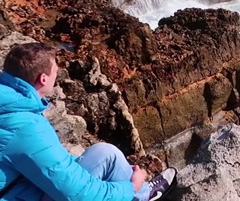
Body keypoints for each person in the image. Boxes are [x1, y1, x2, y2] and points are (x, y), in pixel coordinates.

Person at [0, 43, 176, 201]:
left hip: (22, 188)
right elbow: (81, 195)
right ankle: (141, 195)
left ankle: (143, 194)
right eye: (55, 70)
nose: (58, 74)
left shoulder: (12, 106)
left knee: (107, 155)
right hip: (25, 192)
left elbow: (45, 158)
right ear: (43, 79)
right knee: (112, 175)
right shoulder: (25, 127)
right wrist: (130, 187)